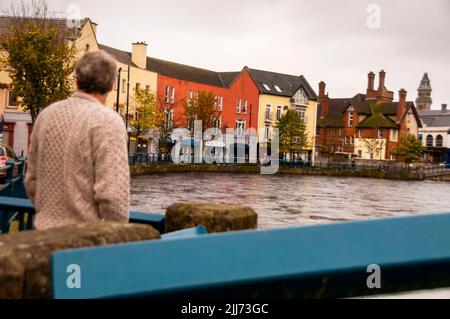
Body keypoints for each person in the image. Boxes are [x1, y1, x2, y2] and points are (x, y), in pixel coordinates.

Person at [25, 50, 130, 230]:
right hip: (84, 241)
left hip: (42, 235)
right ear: (112, 85)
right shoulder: (108, 121)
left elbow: (31, 180)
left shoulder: (47, 115)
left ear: (77, 79)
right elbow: (114, 198)